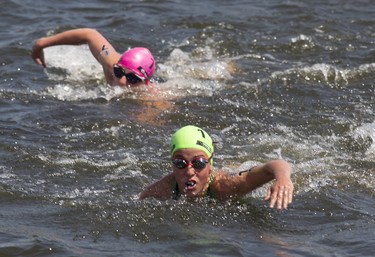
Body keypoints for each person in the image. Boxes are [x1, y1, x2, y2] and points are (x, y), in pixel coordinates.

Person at [139, 125, 294, 210]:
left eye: (199, 163)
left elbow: (275, 165)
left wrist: (283, 178)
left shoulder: (226, 185)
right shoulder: (162, 189)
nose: (189, 171)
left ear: (210, 163)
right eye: (180, 163)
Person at [31, 28, 156, 87]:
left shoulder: (148, 97)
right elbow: (90, 34)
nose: (122, 81)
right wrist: (41, 44)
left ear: (145, 83)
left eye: (132, 79)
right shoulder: (110, 62)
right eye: (119, 72)